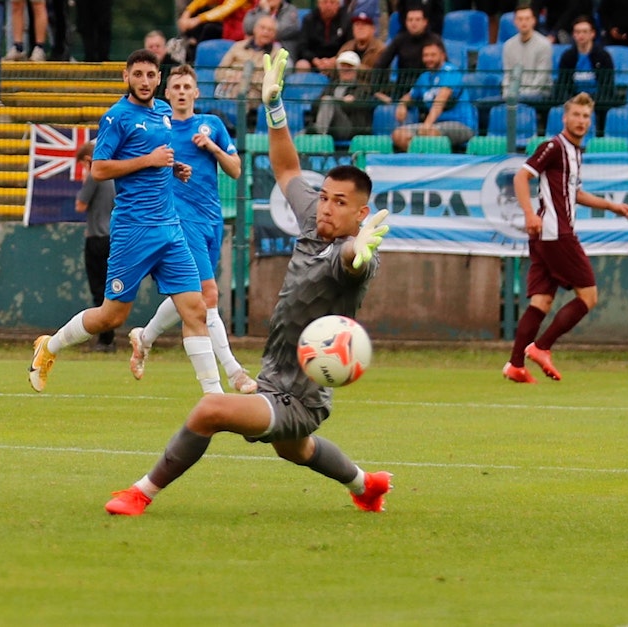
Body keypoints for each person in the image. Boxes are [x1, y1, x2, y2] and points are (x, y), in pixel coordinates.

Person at [103, 50, 394, 516]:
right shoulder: (312, 218)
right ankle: (366, 485)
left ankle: (140, 493)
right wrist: (274, 108)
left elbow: (352, 263)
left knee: (210, 410)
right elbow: (288, 169)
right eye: (324, 197)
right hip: (276, 377)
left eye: (340, 203)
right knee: (296, 449)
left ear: (361, 214)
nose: (326, 207)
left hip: (300, 394)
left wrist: (358, 251)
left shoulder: (354, 252)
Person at [28, 50, 219, 395]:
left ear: (158, 79)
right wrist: (149, 160)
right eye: (138, 74)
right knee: (111, 316)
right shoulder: (116, 117)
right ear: (126, 76)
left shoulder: (163, 112)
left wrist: (173, 167)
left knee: (196, 310)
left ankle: (215, 397)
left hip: (170, 229)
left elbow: (158, 157)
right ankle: (50, 346)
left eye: (151, 75)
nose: (144, 81)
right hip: (134, 230)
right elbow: (100, 169)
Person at [127, 64, 254, 394]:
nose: (182, 92)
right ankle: (234, 372)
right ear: (167, 93)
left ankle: (145, 337)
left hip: (210, 219)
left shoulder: (212, 125)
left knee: (191, 295)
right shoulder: (160, 128)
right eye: (176, 87)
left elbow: (236, 170)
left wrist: (211, 147)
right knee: (208, 294)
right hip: (179, 221)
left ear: (196, 92)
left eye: (187, 87)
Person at [502, 92, 628, 384]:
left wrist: (611, 206)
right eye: (576, 115)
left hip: (546, 236)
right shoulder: (554, 147)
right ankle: (541, 347)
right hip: (556, 233)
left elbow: (574, 193)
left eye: (586, 116)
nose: (581, 121)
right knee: (588, 296)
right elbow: (521, 177)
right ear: (565, 118)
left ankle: (515, 365)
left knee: (541, 301)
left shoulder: (575, 152)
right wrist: (529, 214)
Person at [392, 41, 474, 152]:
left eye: (433, 55)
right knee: (399, 134)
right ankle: (417, 159)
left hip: (460, 125)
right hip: (435, 124)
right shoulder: (424, 77)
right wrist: (402, 105)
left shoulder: (450, 71)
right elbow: (410, 96)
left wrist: (427, 124)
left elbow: (441, 100)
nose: (428, 59)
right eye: (425, 55)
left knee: (430, 134)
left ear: (442, 56)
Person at [75, 142, 118, 351]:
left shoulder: (94, 176)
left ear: (88, 160)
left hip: (97, 238)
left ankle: (105, 339)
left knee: (99, 289)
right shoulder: (114, 176)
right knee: (111, 288)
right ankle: (108, 337)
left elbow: (80, 205)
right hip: (113, 236)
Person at [373, 6, 442, 98]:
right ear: (406, 22)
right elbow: (381, 64)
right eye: (410, 20)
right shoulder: (399, 39)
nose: (413, 23)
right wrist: (377, 90)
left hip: (428, 91)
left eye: (417, 19)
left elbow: (444, 66)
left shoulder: (435, 40)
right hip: (403, 90)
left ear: (425, 22)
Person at [312, 50, 377, 140]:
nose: (346, 69)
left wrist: (332, 101)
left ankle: (320, 137)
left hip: (350, 128)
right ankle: (317, 133)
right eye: (343, 66)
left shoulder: (362, 88)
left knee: (328, 101)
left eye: (349, 66)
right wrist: (339, 101)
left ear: (356, 69)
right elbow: (314, 105)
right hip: (330, 126)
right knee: (302, 133)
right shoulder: (332, 86)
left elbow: (355, 107)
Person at [552, 16, 615, 104]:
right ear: (573, 35)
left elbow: (607, 86)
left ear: (592, 34)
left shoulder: (603, 56)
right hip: (573, 101)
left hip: (598, 102)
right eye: (577, 32)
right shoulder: (567, 56)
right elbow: (563, 85)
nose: (581, 35)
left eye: (585, 32)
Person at [501, 5, 554, 105]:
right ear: (515, 22)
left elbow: (541, 80)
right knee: (483, 104)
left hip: (539, 95)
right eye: (520, 19)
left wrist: (519, 96)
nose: (524, 22)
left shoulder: (544, 44)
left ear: (534, 20)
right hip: (513, 95)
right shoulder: (508, 45)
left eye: (527, 19)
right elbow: (507, 75)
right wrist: (508, 94)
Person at [298, 0, 350, 72]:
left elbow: (349, 45)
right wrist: (315, 60)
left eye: (332, 2)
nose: (328, 6)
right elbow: (302, 47)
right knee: (301, 65)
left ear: (338, 5)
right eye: (325, 2)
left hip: (338, 60)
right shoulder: (309, 20)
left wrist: (335, 60)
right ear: (318, 4)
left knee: (348, 63)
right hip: (314, 60)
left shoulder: (346, 20)